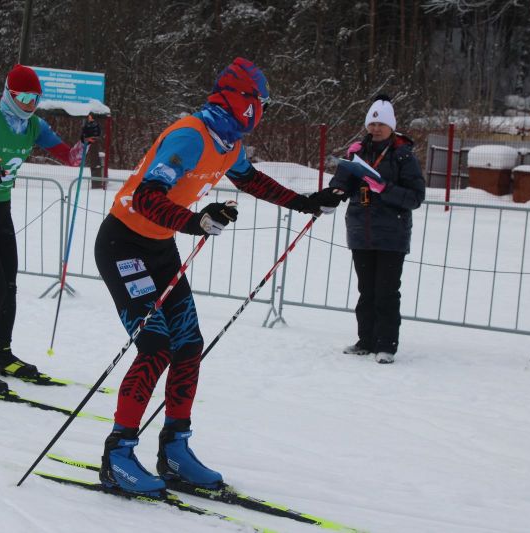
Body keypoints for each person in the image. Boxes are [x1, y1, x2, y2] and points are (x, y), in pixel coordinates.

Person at [93, 57, 343, 496]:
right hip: (123, 246)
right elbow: (147, 197)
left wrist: (305, 202)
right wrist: (195, 221)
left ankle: (175, 449)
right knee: (156, 346)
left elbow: (251, 181)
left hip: (160, 248)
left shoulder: (228, 142)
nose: (261, 111)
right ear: (242, 100)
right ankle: (118, 455)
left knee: (189, 345)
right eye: (260, 102)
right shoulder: (191, 135)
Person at [0, 64, 101, 394]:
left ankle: (2, 355)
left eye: (35, 98)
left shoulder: (35, 126)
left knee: (10, 287)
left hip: (0, 211)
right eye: (24, 97)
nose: (30, 104)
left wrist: (84, 142)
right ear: (9, 94)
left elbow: (71, 159)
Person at [329, 95, 425, 364]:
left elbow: (416, 197)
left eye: (381, 124)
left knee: (386, 292)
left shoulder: (403, 155)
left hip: (392, 234)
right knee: (366, 291)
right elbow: (342, 183)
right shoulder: (357, 152)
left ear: (391, 126)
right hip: (361, 231)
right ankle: (366, 340)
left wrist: (384, 188)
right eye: (372, 124)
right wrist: (334, 192)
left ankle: (386, 345)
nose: (376, 129)